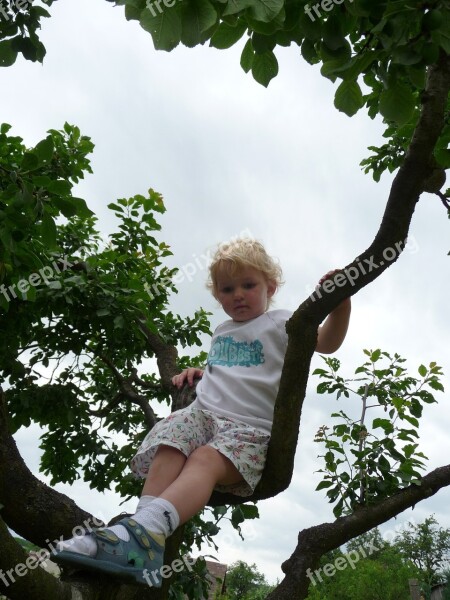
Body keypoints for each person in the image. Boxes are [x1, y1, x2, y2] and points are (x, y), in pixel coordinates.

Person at [53, 238, 351, 587]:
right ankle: (139, 538)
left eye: (248, 285)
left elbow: (327, 343)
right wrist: (199, 372)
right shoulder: (222, 330)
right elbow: (228, 371)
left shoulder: (282, 321)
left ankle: (141, 532)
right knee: (171, 436)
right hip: (204, 414)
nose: (237, 294)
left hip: (247, 429)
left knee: (205, 460)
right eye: (227, 289)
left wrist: (340, 303)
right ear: (217, 296)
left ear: (270, 287)